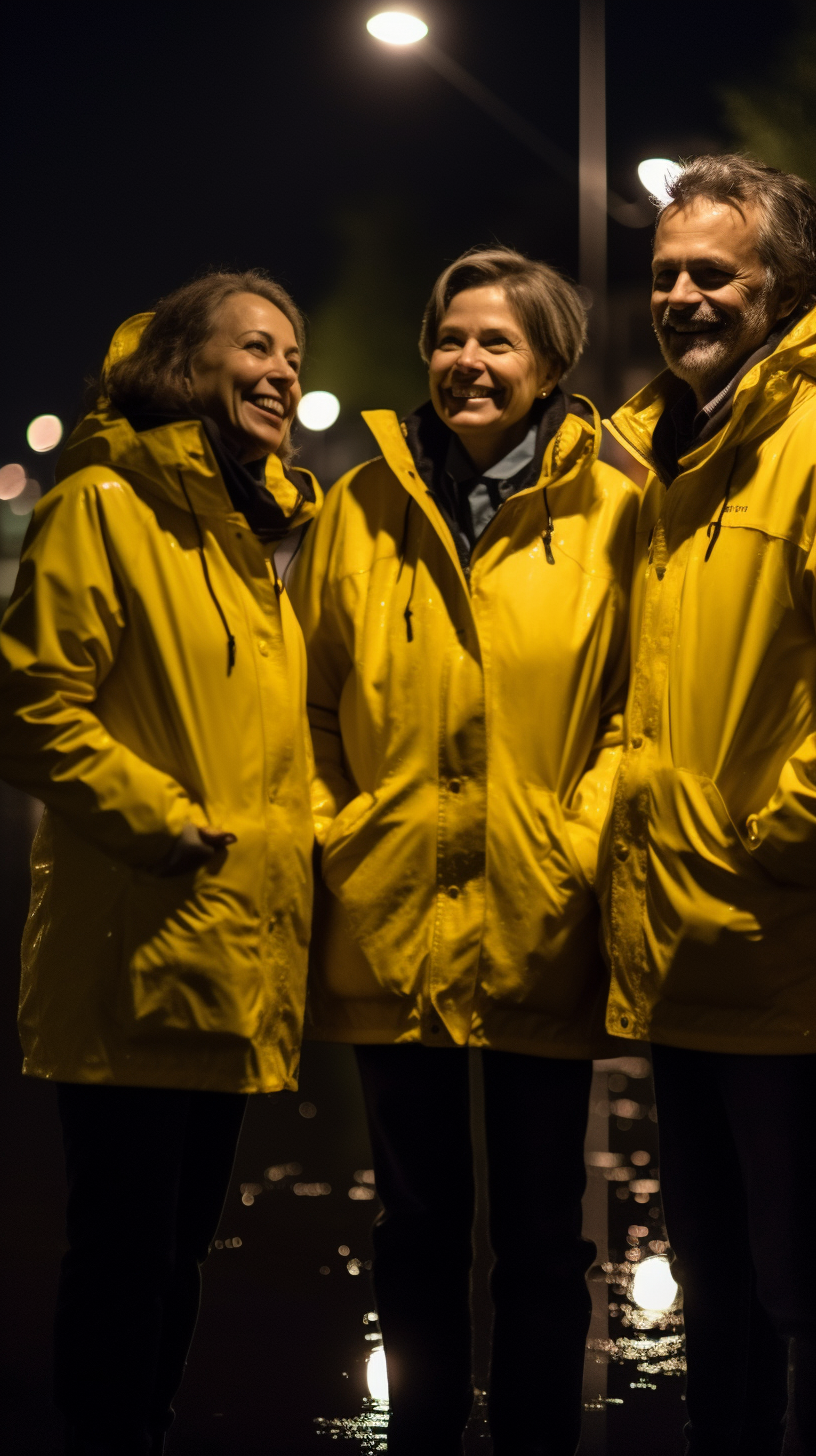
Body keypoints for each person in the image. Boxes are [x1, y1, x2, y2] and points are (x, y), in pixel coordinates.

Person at [289, 246, 638, 1456]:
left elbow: (634, 709)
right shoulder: (361, 507)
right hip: (390, 918)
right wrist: (346, 833)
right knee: (417, 1221)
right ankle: (425, 1436)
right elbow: (314, 701)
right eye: (450, 337)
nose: (467, 362)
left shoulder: (614, 509)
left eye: (496, 341)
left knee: (545, 1231)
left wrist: (576, 842)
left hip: (546, 909)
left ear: (549, 365)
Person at [0, 270, 320, 1456]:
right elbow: (32, 703)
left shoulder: (252, 529)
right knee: (124, 1250)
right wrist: (165, 821)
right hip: (140, 931)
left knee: (176, 1248)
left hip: (226, 946)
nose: (285, 371)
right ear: (185, 368)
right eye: (256, 347)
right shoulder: (103, 502)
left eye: (294, 352)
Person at [600, 155, 816, 1455]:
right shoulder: (662, 451)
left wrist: (779, 839)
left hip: (781, 945)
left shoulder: (803, 437)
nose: (681, 295)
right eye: (667, 272)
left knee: (799, 1293)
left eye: (713, 273)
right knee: (721, 1295)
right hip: (683, 950)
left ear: (782, 286)